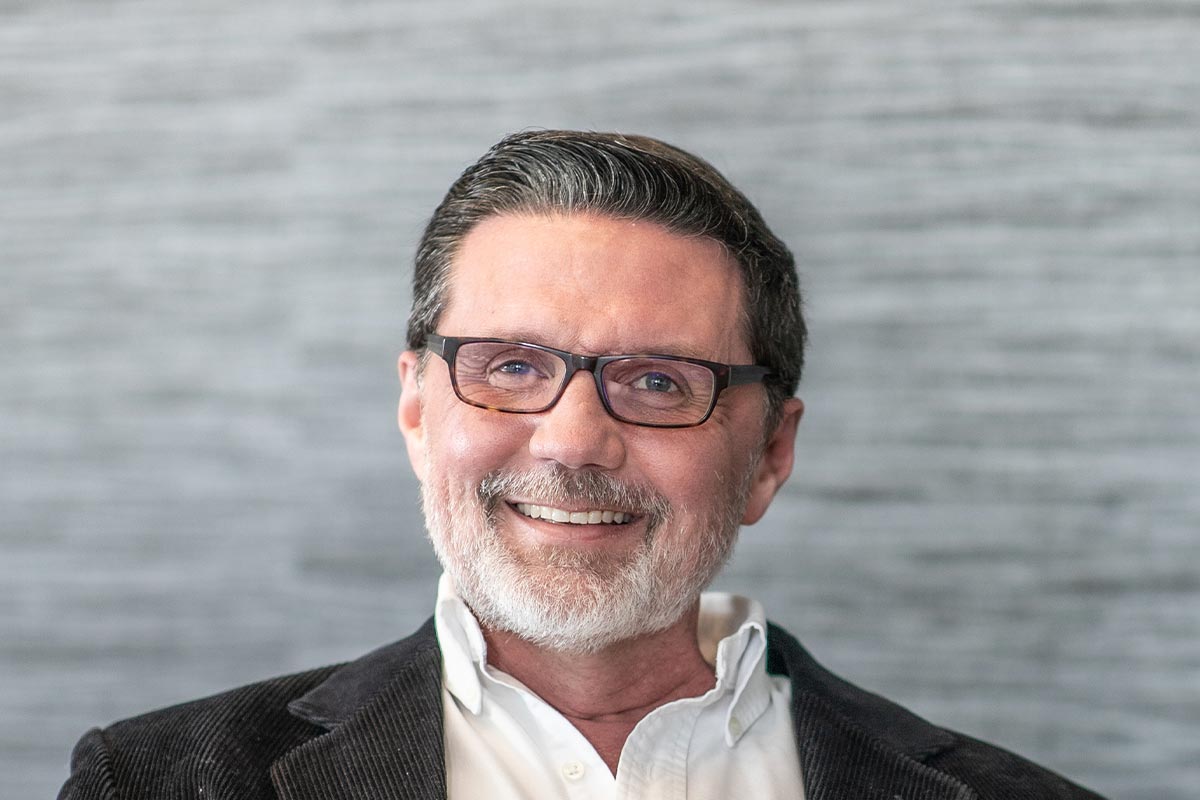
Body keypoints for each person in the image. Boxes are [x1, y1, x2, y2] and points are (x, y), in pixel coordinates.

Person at [59, 130, 1105, 799]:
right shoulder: (157, 780)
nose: (570, 440)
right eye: (511, 365)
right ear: (417, 408)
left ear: (769, 452)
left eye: (658, 381)